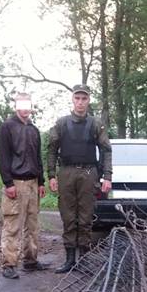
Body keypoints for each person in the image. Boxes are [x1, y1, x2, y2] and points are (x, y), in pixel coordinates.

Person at [47, 84, 112, 274]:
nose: (80, 102)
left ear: (88, 100)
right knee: (68, 216)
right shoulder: (61, 123)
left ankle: (83, 259)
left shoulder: (95, 123)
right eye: (77, 98)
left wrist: (107, 175)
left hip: (89, 173)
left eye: (84, 98)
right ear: (72, 99)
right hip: (66, 172)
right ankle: (69, 259)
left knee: (85, 217)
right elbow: (51, 150)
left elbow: (106, 150)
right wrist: (51, 175)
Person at [0, 93, 47, 279]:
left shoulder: (34, 130)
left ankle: (30, 260)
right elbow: (3, 157)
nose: (25, 108)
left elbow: (38, 157)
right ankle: (9, 264)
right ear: (16, 106)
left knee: (32, 224)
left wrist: (41, 181)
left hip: (33, 182)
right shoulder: (7, 127)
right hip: (16, 182)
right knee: (13, 224)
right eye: (22, 104)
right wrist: (8, 183)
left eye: (28, 104)